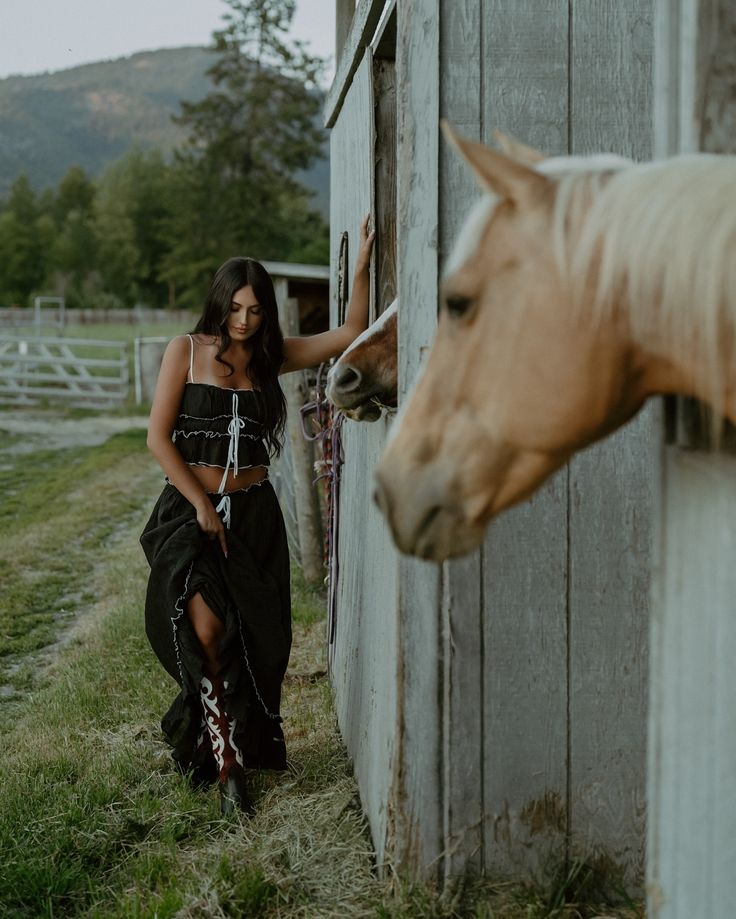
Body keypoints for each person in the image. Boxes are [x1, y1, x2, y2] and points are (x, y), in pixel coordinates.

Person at [140, 216, 375, 814]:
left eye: (255, 311)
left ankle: (228, 744)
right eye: (235, 308)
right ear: (219, 303)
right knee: (207, 632)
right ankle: (226, 769)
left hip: (255, 517)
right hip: (190, 512)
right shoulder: (184, 352)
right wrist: (200, 505)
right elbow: (159, 439)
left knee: (254, 641)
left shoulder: (272, 359)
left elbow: (350, 330)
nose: (243, 321)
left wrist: (364, 263)